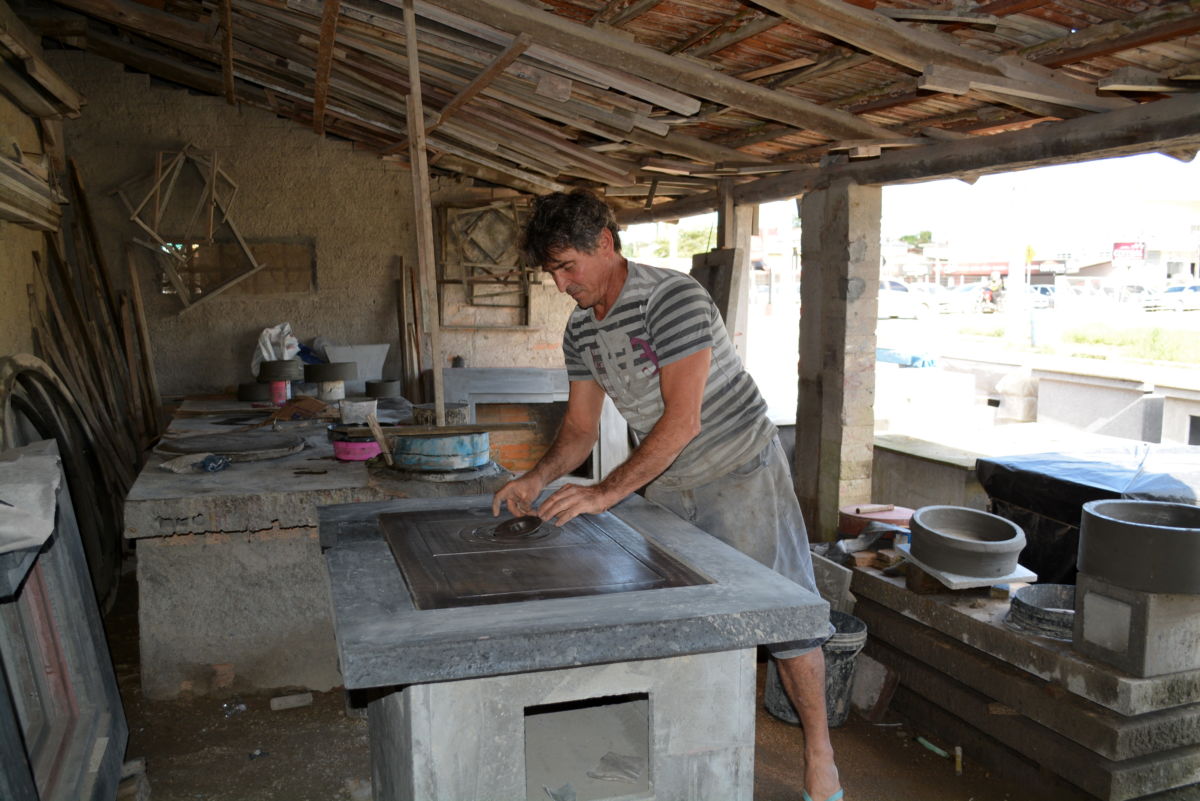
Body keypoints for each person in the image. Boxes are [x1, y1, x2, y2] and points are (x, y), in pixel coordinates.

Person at [491, 189, 843, 801]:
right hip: (669, 484)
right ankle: (693, 742)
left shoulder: (670, 298)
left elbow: (683, 422)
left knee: (788, 619)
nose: (560, 283)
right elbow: (578, 431)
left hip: (740, 474)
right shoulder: (581, 330)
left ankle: (820, 753)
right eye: (552, 271)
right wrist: (537, 477)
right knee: (684, 617)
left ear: (604, 242)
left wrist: (605, 493)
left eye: (567, 265)